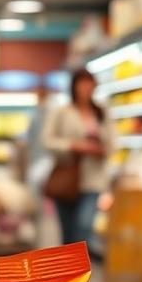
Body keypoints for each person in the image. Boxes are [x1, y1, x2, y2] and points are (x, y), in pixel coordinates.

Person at [41, 68, 114, 247]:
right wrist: (73, 145)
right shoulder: (61, 112)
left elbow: (113, 143)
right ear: (74, 86)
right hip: (67, 179)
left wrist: (100, 147)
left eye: (89, 83)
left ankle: (81, 271)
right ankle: (68, 272)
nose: (86, 88)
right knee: (68, 233)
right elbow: (46, 141)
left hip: (93, 179)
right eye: (82, 83)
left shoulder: (102, 112)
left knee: (84, 226)